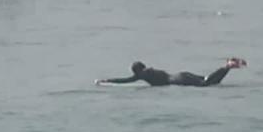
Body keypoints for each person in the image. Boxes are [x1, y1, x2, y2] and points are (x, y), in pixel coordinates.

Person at [97, 58, 247, 87]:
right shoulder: (150, 70)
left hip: (177, 81)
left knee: (207, 84)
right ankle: (227, 67)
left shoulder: (143, 74)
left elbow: (124, 81)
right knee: (211, 81)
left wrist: (106, 80)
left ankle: (227, 66)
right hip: (181, 74)